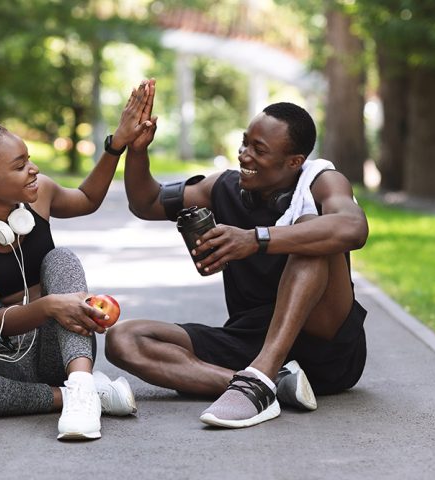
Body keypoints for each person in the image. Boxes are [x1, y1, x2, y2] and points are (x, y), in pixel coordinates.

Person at [105, 79, 369, 429]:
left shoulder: (322, 182)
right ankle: (263, 385)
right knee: (124, 339)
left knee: (310, 228)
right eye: (245, 143)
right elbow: (146, 202)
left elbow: (353, 228)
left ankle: (261, 376)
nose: (245, 155)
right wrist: (137, 150)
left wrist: (256, 239)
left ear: (294, 162)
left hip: (326, 347)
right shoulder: (224, 187)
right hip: (249, 340)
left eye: (259, 150)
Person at [0, 81, 155, 440]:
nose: (34, 168)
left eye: (28, 159)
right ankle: (72, 396)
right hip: (3, 353)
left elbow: (88, 198)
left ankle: (80, 385)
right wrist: (49, 305)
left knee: (61, 258)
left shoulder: (40, 195)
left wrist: (116, 144)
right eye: (20, 165)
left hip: (59, 347)